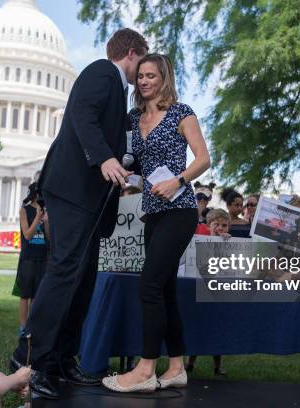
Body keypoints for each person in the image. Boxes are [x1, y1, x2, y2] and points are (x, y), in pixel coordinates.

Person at [10, 28, 149, 399]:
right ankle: (31, 361)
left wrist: (121, 163)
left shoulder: (117, 90)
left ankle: (61, 360)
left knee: (82, 280)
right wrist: (104, 157)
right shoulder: (102, 72)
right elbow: (82, 116)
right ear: (132, 54)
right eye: (143, 63)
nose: (144, 72)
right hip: (73, 192)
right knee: (64, 273)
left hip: (91, 199)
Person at [102, 53, 210, 393]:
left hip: (180, 210)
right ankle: (177, 366)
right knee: (163, 290)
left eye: (152, 75)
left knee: (148, 285)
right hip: (151, 212)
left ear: (164, 77)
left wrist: (177, 180)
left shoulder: (181, 112)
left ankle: (146, 368)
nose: (145, 81)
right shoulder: (133, 118)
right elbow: (128, 156)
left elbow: (204, 159)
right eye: (142, 76)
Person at [186, 209, 228, 376]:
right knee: (197, 326)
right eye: (216, 224)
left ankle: (218, 365)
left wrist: (225, 241)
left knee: (216, 327)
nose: (220, 228)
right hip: (199, 287)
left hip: (218, 291)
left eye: (224, 225)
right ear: (208, 225)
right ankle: (190, 363)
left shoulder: (228, 241)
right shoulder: (200, 239)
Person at [15, 182, 49, 338]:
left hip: (42, 257)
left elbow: (48, 238)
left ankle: (32, 325)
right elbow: (27, 235)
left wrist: (46, 221)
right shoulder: (24, 210)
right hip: (28, 257)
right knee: (25, 294)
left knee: (36, 295)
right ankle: (23, 327)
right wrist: (37, 218)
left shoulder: (47, 212)